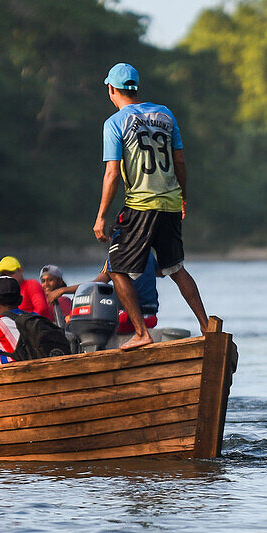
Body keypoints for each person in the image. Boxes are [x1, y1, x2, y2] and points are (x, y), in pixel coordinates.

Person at [93, 61, 209, 350]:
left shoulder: (115, 123)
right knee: (175, 267)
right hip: (170, 204)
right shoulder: (165, 114)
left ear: (111, 90)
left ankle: (141, 333)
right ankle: (207, 328)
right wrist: (182, 197)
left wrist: (101, 217)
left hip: (140, 205)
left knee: (117, 269)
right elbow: (180, 161)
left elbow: (112, 173)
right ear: (136, 88)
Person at [46, 253, 160, 334]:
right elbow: (161, 273)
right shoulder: (148, 253)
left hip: (128, 320)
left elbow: (97, 283)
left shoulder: (117, 253)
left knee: (72, 322)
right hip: (151, 317)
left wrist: (62, 290)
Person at [39, 264, 73, 328]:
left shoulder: (63, 300)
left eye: (50, 280)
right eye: (43, 281)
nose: (46, 284)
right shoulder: (39, 301)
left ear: (60, 282)